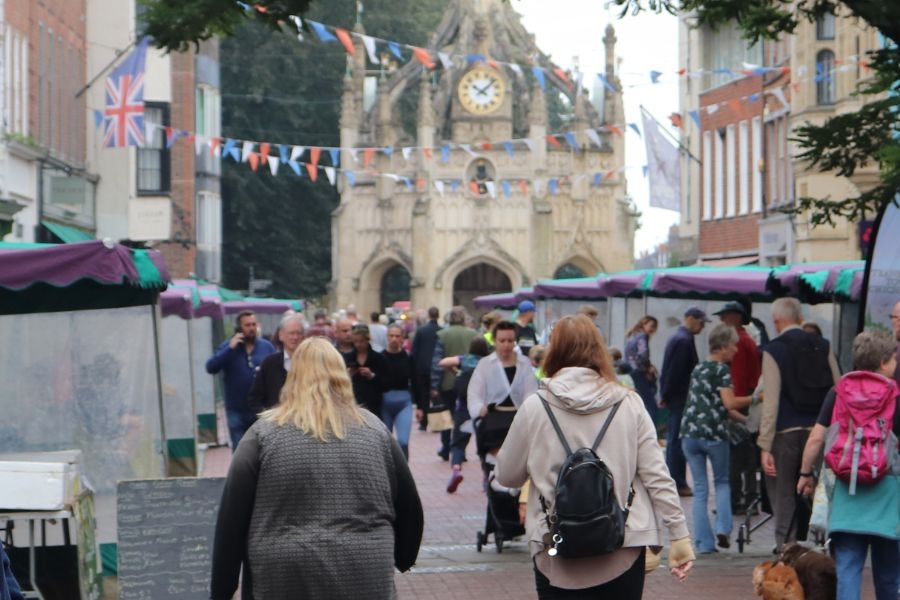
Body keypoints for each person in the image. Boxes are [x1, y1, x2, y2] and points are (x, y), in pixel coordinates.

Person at [495, 315, 695, 598]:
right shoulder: (629, 402)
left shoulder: (534, 407)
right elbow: (656, 475)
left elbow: (507, 476)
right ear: (599, 350)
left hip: (556, 547)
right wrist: (679, 534)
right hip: (623, 543)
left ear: (554, 351)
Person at [210, 338, 424, 600]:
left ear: (293, 377)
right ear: (341, 375)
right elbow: (409, 505)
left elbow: (232, 518)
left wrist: (222, 588)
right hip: (364, 567)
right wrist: (403, 558)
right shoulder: (375, 431)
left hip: (284, 574)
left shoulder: (262, 435)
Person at [796, 330, 899, 600]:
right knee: (889, 578)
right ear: (885, 362)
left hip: (846, 495)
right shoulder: (895, 395)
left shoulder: (838, 391)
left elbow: (817, 437)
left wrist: (805, 474)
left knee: (848, 573)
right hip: (888, 498)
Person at [758, 297, 840, 548]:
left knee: (783, 493)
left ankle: (787, 548)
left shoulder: (773, 350)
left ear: (776, 320)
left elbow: (770, 401)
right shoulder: (822, 345)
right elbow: (839, 388)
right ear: (800, 317)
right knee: (823, 490)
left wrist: (764, 444)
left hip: (785, 432)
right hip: (820, 430)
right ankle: (829, 544)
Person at [681, 323, 753, 553]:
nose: (735, 350)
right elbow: (729, 403)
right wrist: (756, 398)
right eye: (732, 345)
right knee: (722, 482)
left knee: (700, 489)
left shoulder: (698, 369)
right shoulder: (721, 370)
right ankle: (723, 528)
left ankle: (703, 544)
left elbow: (717, 405)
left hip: (690, 435)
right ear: (722, 347)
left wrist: (744, 421)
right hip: (713, 435)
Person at [465, 321, 538, 488]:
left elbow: (531, 390)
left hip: (518, 415)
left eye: (510, 341)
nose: (506, 345)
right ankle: (496, 471)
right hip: (494, 415)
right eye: (502, 341)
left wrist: (529, 410)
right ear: (495, 341)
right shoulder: (485, 364)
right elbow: (474, 392)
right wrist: (479, 409)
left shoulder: (524, 363)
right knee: (492, 431)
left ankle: (517, 475)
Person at [713, 301, 761, 515]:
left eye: (725, 316)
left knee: (736, 455)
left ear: (736, 317)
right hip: (745, 400)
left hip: (739, 402)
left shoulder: (739, 342)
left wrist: (732, 403)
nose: (722, 320)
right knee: (746, 454)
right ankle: (747, 497)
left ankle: (736, 500)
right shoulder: (746, 339)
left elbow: (738, 377)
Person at [206, 310, 276, 449]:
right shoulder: (229, 347)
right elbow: (211, 367)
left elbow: (275, 373)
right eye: (247, 325)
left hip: (260, 408)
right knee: (240, 450)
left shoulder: (266, 347)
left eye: (253, 324)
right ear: (239, 328)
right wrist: (229, 349)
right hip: (236, 409)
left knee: (261, 449)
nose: (251, 328)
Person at [660, 307, 710, 497]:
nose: (702, 327)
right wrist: (666, 394)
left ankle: (676, 480)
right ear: (689, 319)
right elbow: (675, 372)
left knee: (675, 438)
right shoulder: (683, 340)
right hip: (680, 396)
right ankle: (677, 481)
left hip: (676, 395)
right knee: (676, 439)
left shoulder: (680, 338)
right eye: (700, 322)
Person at [431, 306, 478, 464]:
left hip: (447, 381)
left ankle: (445, 448)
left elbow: (437, 362)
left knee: (447, 417)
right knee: (464, 416)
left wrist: (434, 385)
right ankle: (460, 449)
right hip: (467, 382)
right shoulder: (473, 334)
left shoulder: (442, 335)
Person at [248, 313, 305, 413]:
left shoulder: (311, 363)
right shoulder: (269, 363)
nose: (295, 337)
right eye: (291, 333)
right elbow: (255, 398)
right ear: (281, 336)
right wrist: (267, 419)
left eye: (298, 333)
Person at [381, 324, 414, 458]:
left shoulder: (409, 358)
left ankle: (404, 471)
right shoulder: (379, 358)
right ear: (387, 337)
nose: (394, 339)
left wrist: (421, 407)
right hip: (384, 403)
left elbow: (416, 381)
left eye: (398, 336)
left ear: (402, 338)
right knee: (384, 443)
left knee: (403, 442)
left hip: (404, 402)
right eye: (391, 335)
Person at [342, 324, 388, 417]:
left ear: (367, 340)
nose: (358, 344)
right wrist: (348, 375)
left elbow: (386, 380)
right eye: (355, 341)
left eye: (361, 341)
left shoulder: (378, 358)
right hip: (354, 399)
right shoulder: (347, 357)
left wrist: (372, 375)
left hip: (374, 401)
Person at [623, 315, 659, 422]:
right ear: (644, 324)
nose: (652, 329)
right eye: (651, 326)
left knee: (639, 403)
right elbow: (643, 354)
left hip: (631, 371)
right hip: (638, 372)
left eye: (654, 327)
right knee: (651, 405)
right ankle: (650, 434)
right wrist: (648, 368)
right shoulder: (643, 336)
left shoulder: (633, 335)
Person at [410, 307, 440, 432]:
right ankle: (437, 422)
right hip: (437, 367)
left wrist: (413, 366)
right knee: (436, 395)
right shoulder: (441, 331)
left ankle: (424, 422)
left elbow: (414, 352)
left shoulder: (421, 331)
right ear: (438, 316)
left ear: (428, 315)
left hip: (422, 367)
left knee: (423, 395)